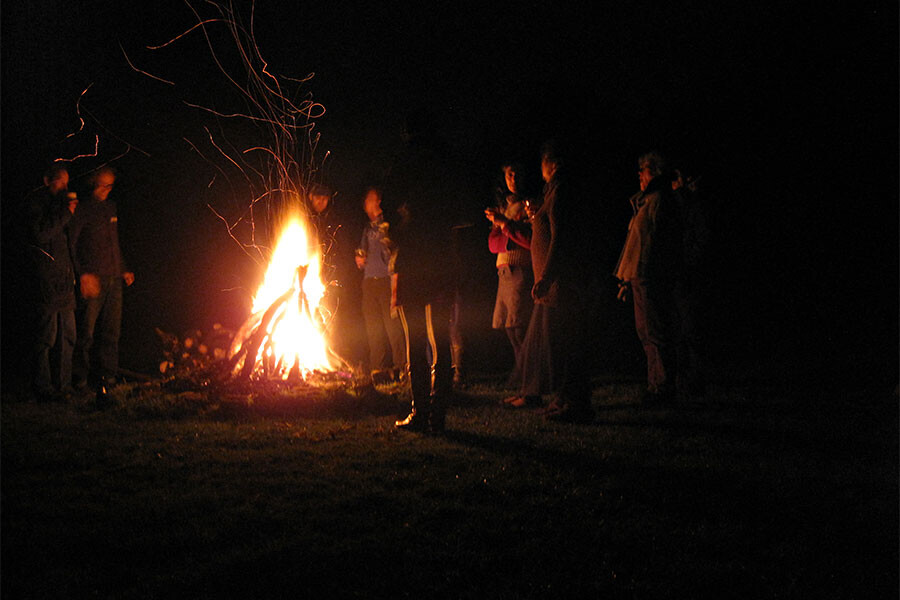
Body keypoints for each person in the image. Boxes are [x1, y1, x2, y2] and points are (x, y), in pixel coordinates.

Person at [506, 141, 593, 423]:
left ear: (551, 163)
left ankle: (575, 403)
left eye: (542, 163)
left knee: (568, 342)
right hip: (555, 282)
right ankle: (563, 399)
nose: (539, 169)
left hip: (560, 283)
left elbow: (560, 237)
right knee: (562, 342)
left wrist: (546, 277)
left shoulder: (561, 191)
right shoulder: (553, 191)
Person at [387, 110, 461, 433]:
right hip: (442, 260)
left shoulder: (405, 161)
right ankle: (438, 413)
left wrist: (400, 225)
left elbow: (388, 203)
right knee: (440, 338)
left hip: (415, 259)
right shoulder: (446, 164)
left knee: (414, 339)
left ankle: (420, 412)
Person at [614, 152, 684, 404]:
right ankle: (655, 384)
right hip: (639, 274)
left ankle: (663, 387)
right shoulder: (647, 201)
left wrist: (654, 270)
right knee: (645, 330)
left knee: (656, 330)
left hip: (650, 274)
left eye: (643, 170)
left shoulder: (661, 200)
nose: (640, 176)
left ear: (654, 172)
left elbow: (660, 242)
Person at [69, 167, 134, 402]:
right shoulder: (84, 209)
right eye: (103, 185)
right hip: (93, 279)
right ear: (93, 183)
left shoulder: (111, 207)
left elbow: (113, 242)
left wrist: (123, 268)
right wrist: (82, 274)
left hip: (113, 278)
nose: (107, 190)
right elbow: (72, 244)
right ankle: (79, 379)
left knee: (111, 332)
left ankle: (108, 378)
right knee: (86, 332)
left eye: (110, 185)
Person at [26, 164, 78, 401]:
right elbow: (40, 235)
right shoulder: (37, 204)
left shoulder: (60, 208)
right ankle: (43, 387)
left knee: (68, 335)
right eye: (60, 181)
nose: (65, 187)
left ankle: (64, 385)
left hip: (65, 281)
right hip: (47, 282)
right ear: (47, 180)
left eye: (67, 182)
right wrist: (65, 213)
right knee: (46, 336)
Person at [484, 161, 533, 379]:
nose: (512, 179)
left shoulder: (531, 205)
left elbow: (529, 239)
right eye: (509, 175)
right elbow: (494, 245)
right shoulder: (506, 208)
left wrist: (506, 226)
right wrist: (505, 226)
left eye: (516, 174)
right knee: (509, 325)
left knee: (519, 324)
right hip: (503, 271)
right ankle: (522, 369)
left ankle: (528, 371)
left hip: (520, 268)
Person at [356, 186, 406, 381]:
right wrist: (360, 261)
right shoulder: (367, 229)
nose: (376, 203)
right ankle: (378, 368)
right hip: (369, 282)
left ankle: (402, 367)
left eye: (377, 199)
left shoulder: (388, 224)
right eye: (371, 200)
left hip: (387, 280)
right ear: (365, 205)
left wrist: (389, 246)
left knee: (392, 325)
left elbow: (395, 251)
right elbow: (362, 253)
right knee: (373, 327)